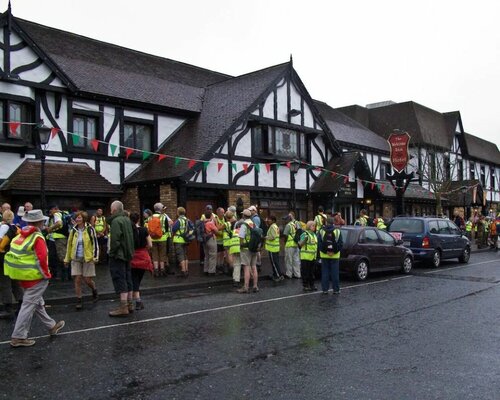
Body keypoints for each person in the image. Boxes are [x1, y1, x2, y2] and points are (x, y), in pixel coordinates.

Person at [4, 209, 65, 347]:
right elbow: (42, 258)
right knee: (28, 305)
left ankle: (51, 326)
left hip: (23, 275)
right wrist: (46, 274)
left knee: (35, 302)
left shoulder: (21, 234)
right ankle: (18, 337)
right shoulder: (37, 237)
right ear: (39, 222)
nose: (44, 222)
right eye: (43, 221)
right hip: (36, 276)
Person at [64, 211, 99, 310]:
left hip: (88, 258)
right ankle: (79, 300)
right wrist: (67, 259)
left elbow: (95, 244)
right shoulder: (73, 231)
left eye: (79, 218)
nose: (78, 219)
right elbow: (69, 245)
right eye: (76, 218)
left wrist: (95, 257)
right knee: (78, 279)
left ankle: (94, 289)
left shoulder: (90, 229)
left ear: (83, 218)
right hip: (76, 258)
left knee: (87, 279)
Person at [107, 200, 135, 317]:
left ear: (114, 210)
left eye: (110, 209)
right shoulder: (127, 220)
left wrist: (112, 253)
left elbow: (115, 240)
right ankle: (130, 304)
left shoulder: (116, 221)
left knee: (120, 278)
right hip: (128, 254)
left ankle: (123, 307)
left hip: (118, 255)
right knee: (128, 278)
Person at [0, 210, 23, 319]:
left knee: (5, 283)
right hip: (15, 258)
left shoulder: (3, 228)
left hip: (3, 259)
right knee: (15, 282)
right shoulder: (17, 228)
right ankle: (21, 304)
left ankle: (8, 308)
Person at [129, 212, 153, 310]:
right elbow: (150, 245)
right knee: (137, 280)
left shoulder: (129, 230)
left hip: (133, 257)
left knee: (134, 279)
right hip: (143, 257)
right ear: (138, 220)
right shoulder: (144, 230)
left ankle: (136, 301)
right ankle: (137, 301)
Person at [318, 216, 343, 294]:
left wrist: (325, 252)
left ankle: (325, 290)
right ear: (333, 223)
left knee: (325, 273)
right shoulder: (337, 231)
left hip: (324, 255)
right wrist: (334, 252)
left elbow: (319, 244)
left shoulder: (321, 231)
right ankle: (336, 290)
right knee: (335, 273)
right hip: (335, 256)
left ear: (326, 222)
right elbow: (340, 244)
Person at [44, 205, 69, 281]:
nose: (50, 212)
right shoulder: (64, 214)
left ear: (54, 209)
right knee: (59, 256)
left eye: (50, 210)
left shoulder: (57, 214)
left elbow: (59, 223)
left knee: (60, 257)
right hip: (59, 238)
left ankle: (64, 275)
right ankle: (63, 275)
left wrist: (50, 229)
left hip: (58, 238)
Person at [237, 209, 259, 293]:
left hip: (246, 249)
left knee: (246, 267)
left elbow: (241, 237)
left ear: (243, 216)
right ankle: (255, 286)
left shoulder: (244, 225)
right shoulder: (254, 224)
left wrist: (241, 245)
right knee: (254, 266)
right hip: (254, 248)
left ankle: (246, 287)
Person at [148, 202, 171, 277]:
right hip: (162, 238)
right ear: (161, 209)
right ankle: (162, 270)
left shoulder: (150, 218)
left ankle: (156, 271)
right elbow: (167, 228)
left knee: (154, 255)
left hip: (153, 238)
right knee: (162, 254)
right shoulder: (164, 217)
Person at [298, 221, 318, 291]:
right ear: (309, 226)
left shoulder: (314, 235)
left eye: (314, 226)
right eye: (313, 226)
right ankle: (305, 285)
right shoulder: (305, 234)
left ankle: (312, 285)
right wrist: (304, 240)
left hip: (312, 257)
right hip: (305, 257)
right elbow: (300, 244)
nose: (314, 227)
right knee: (305, 272)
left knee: (311, 272)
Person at [171, 207, 190, 278]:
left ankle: (183, 271)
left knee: (180, 255)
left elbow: (173, 229)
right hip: (185, 240)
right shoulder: (187, 220)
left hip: (179, 240)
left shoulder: (179, 221)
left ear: (178, 212)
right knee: (185, 255)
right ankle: (186, 270)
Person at [265, 215, 283, 281]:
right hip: (275, 248)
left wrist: (266, 237)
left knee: (274, 263)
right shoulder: (275, 226)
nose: (268, 220)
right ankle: (275, 274)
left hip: (272, 248)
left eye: (269, 219)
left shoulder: (272, 227)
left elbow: (272, 237)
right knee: (276, 262)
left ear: (273, 220)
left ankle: (278, 276)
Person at [282, 212, 301, 279]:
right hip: (296, 244)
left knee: (288, 260)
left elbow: (285, 235)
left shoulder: (288, 225)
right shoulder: (297, 223)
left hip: (289, 245)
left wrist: (285, 243)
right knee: (296, 260)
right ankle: (297, 274)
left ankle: (289, 274)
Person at [203, 211, 218, 275]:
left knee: (206, 256)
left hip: (204, 240)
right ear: (211, 216)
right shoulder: (210, 223)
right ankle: (211, 271)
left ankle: (206, 270)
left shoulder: (203, 222)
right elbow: (216, 231)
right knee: (213, 255)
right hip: (211, 239)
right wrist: (215, 222)